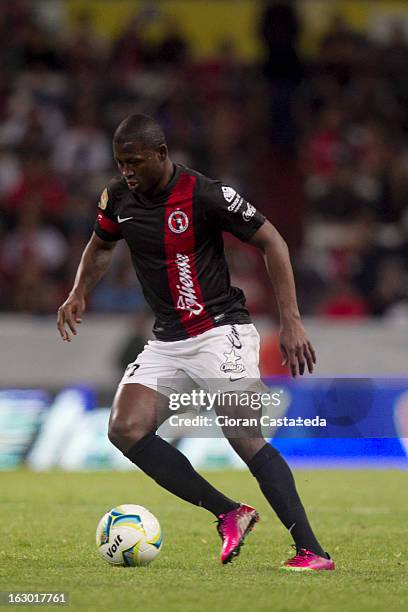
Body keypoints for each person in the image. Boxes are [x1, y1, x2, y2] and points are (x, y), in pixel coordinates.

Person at [57, 114, 335, 571]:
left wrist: (291, 321)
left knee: (242, 433)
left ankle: (312, 550)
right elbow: (101, 245)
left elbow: (274, 243)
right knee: (125, 428)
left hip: (220, 330)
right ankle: (229, 512)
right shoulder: (117, 198)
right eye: (120, 162)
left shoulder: (206, 193)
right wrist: (78, 292)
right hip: (169, 339)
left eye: (135, 162)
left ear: (162, 155)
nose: (127, 171)